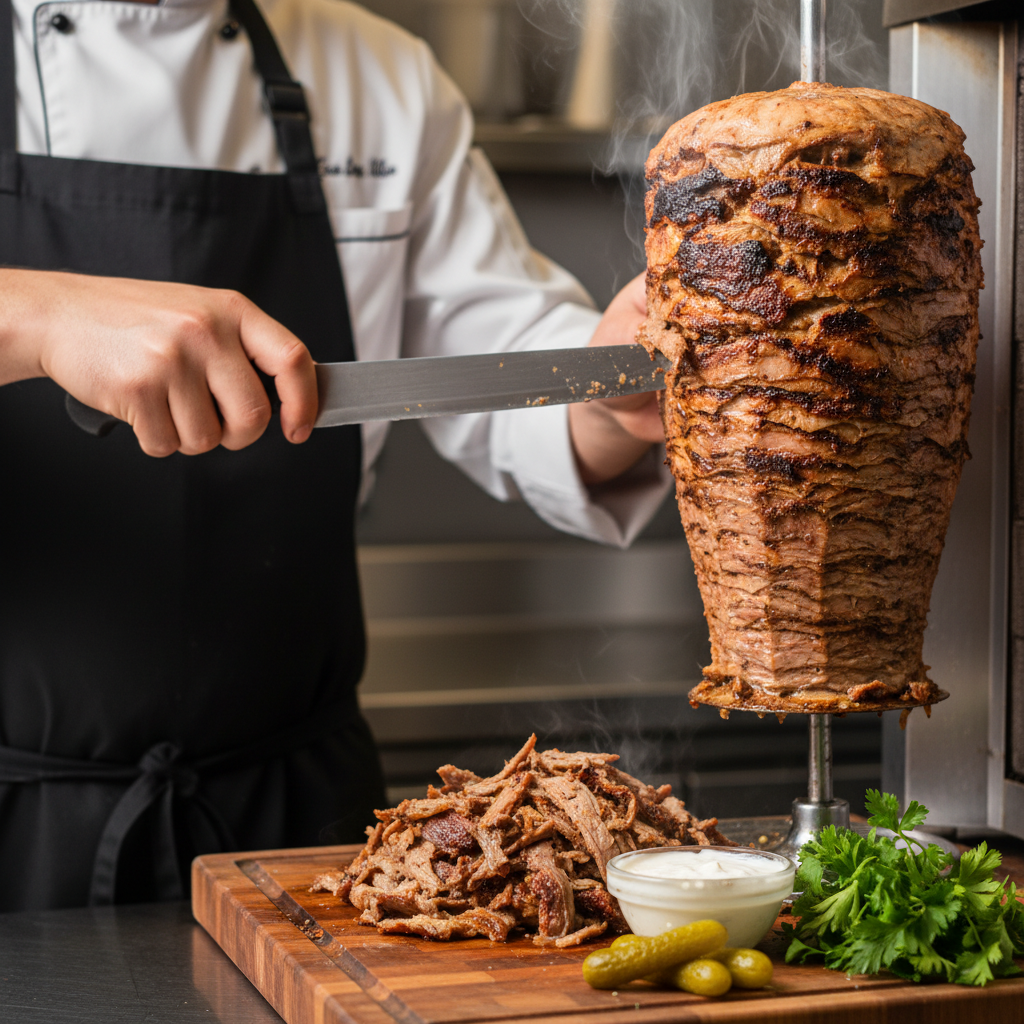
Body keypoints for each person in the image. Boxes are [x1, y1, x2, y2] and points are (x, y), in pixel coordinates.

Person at [0, 0, 667, 911]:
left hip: (296, 812)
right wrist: (33, 315)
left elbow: (498, 370)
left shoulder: (377, 73)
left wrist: (609, 390)